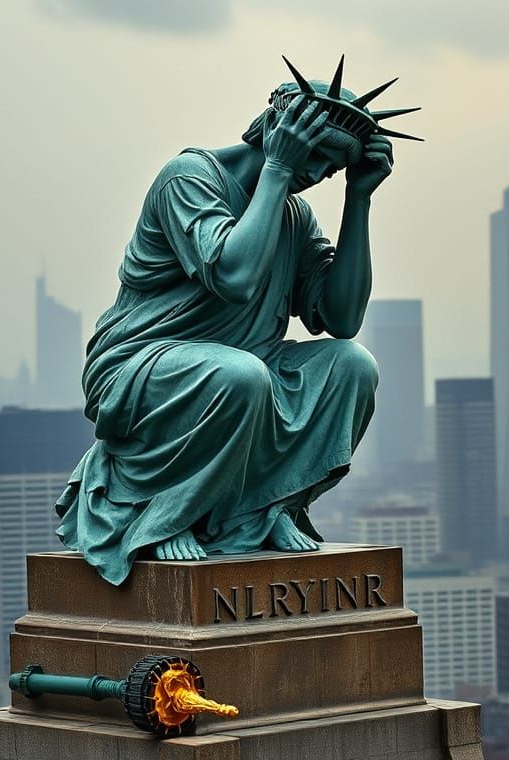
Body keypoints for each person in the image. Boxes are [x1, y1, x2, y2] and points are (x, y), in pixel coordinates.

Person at [57, 64, 410, 586]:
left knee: (352, 366)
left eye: (329, 169)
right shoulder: (189, 179)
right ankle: (168, 512)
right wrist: (277, 168)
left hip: (245, 374)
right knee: (240, 376)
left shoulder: (292, 217)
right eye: (312, 153)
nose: (315, 175)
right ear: (275, 128)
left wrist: (359, 199)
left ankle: (266, 509)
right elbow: (235, 275)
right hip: (144, 369)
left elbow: (341, 319)